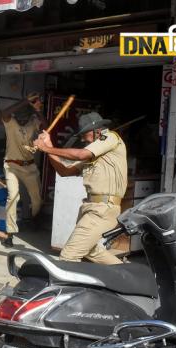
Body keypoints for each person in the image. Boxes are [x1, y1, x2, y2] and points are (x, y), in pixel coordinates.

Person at [33, 112, 126, 265]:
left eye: (84, 134)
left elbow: (81, 154)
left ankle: (71, 288)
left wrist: (46, 149)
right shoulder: (94, 153)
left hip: (103, 209)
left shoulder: (109, 137)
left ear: (96, 131)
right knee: (92, 251)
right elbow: (64, 171)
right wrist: (48, 146)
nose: (82, 139)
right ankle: (129, 277)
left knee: (69, 256)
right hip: (91, 208)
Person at [0, 92, 47, 247]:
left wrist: (37, 109)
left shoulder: (33, 121)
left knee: (37, 199)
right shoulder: (11, 121)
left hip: (30, 166)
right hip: (11, 165)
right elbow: (4, 113)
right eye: (19, 116)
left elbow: (46, 126)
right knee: (13, 197)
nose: (21, 119)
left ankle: (33, 219)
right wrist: (25, 100)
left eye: (24, 117)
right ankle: (10, 233)